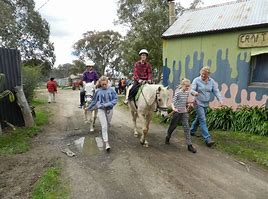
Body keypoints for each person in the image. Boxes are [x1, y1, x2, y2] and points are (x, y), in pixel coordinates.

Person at [190, 66, 223, 147]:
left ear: (208, 74)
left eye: (205, 74)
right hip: (197, 102)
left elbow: (216, 91)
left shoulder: (212, 82)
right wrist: (194, 93)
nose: (203, 76)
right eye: (202, 74)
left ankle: (191, 131)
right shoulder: (196, 80)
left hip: (206, 103)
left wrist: (220, 100)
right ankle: (207, 138)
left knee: (199, 118)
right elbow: (191, 90)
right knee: (203, 119)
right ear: (200, 73)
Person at [165, 78, 198, 153]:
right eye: (186, 86)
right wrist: (174, 109)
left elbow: (185, 101)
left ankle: (189, 145)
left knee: (186, 128)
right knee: (172, 127)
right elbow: (173, 102)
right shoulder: (178, 93)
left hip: (184, 112)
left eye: (188, 86)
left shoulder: (186, 93)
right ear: (182, 85)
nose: (187, 88)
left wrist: (191, 103)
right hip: (177, 112)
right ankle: (168, 136)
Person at [88, 76, 118, 151]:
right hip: (101, 109)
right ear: (100, 84)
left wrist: (108, 104)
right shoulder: (98, 91)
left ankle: (105, 135)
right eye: (102, 85)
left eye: (105, 84)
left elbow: (115, 99)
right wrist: (89, 108)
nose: (104, 86)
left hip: (110, 109)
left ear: (107, 83)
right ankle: (106, 143)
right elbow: (94, 101)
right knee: (104, 126)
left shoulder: (112, 90)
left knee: (108, 124)